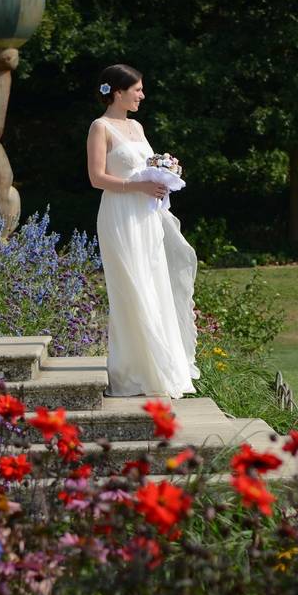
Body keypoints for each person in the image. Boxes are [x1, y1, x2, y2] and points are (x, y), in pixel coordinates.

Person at [86, 64, 200, 399]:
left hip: (146, 217)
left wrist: (164, 170)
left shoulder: (136, 126)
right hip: (120, 214)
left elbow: (143, 167)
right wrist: (139, 186)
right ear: (118, 92)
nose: (141, 95)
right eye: (136, 89)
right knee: (131, 287)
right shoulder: (100, 127)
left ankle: (162, 368)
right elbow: (97, 178)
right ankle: (134, 371)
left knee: (153, 284)